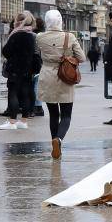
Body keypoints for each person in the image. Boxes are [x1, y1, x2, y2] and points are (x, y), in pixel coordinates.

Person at [35, 10, 85, 159]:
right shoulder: (69, 37)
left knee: (53, 114)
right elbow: (81, 57)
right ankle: (59, 140)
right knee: (66, 115)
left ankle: (54, 143)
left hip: (47, 77)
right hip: (65, 77)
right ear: (60, 21)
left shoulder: (39, 37)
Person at [0, 12, 39, 131]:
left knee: (13, 93)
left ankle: (12, 121)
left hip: (15, 69)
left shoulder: (16, 35)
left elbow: (6, 51)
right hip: (28, 69)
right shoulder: (32, 36)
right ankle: (23, 121)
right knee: (25, 94)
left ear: (18, 22)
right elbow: (35, 54)